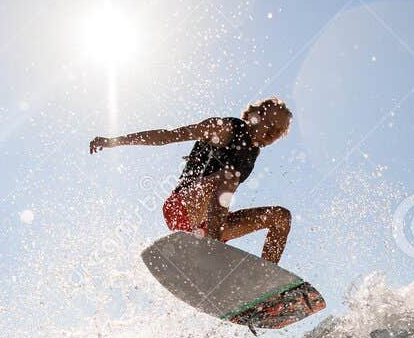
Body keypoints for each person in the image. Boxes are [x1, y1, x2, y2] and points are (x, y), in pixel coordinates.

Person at [90, 98, 293, 263]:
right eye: (271, 123)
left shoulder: (253, 152)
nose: (272, 133)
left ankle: (264, 278)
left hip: (211, 224)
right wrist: (114, 141)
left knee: (281, 217)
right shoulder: (223, 128)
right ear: (252, 114)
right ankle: (212, 249)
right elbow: (168, 136)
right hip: (182, 208)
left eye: (278, 132)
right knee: (229, 176)